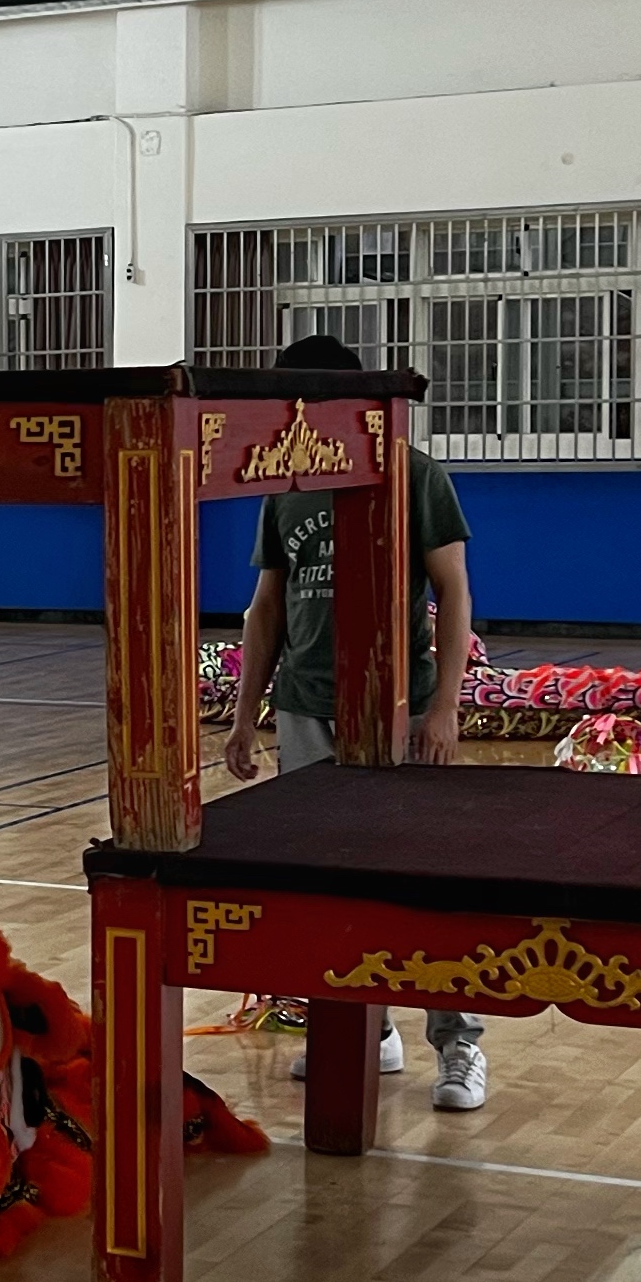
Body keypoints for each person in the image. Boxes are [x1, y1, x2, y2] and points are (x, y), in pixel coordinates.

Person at [222, 331, 489, 1111]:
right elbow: (266, 606)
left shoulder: (416, 477)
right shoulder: (288, 488)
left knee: (423, 878)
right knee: (322, 881)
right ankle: (361, 1033)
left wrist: (443, 706)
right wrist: (247, 718)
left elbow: (455, 594)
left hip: (397, 709)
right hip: (309, 709)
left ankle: (459, 1044)